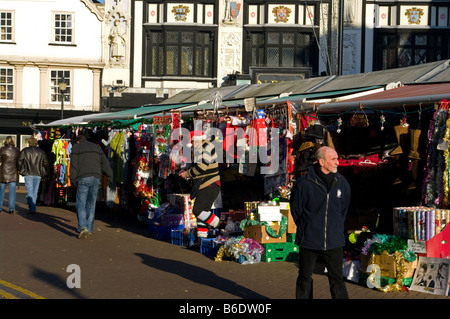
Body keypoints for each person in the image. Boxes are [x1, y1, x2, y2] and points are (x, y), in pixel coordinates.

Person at [289, 146, 351, 299]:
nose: (338, 162)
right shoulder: (304, 183)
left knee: (337, 279)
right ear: (322, 161)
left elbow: (343, 210)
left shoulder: (342, 183)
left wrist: (335, 228)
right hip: (309, 239)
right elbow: (296, 210)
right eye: (333, 159)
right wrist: (307, 227)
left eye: (337, 158)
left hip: (334, 240)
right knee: (305, 277)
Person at [179, 130, 222, 245]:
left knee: (197, 210)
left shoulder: (205, 148)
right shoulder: (204, 147)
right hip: (208, 183)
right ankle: (201, 240)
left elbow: (202, 168)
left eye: (192, 142)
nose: (192, 145)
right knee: (203, 212)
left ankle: (220, 224)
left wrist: (187, 174)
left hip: (209, 183)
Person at [70, 134, 113, 239]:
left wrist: (72, 179)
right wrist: (110, 176)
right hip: (96, 177)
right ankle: (89, 229)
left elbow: (74, 165)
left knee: (81, 204)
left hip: (83, 177)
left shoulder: (76, 148)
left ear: (78, 141)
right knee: (91, 204)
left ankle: (83, 227)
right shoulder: (97, 147)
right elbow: (105, 163)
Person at [17, 137, 50, 214]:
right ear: (36, 143)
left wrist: (21, 170)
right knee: (35, 191)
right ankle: (32, 206)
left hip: (28, 173)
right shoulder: (41, 151)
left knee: (29, 191)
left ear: (29, 142)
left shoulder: (25, 151)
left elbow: (19, 161)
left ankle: (32, 207)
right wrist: (45, 171)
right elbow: (46, 163)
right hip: (38, 173)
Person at [0, 136, 19, 214]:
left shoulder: (2, 149)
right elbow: (19, 161)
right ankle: (11, 209)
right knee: (12, 192)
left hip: (3, 172)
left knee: (1, 192)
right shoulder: (17, 150)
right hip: (13, 172)